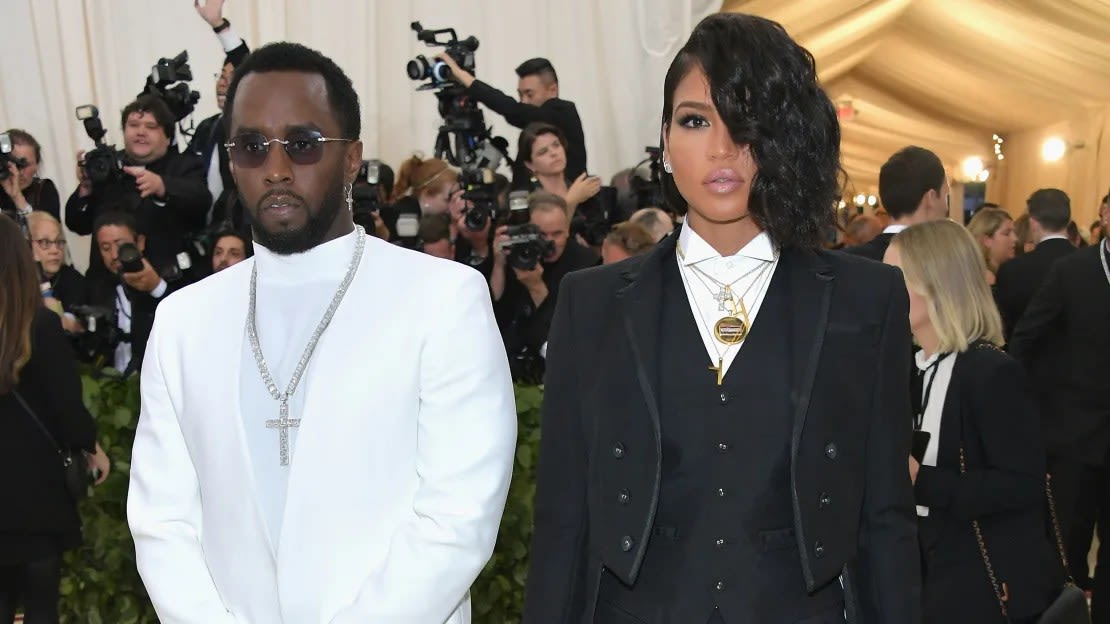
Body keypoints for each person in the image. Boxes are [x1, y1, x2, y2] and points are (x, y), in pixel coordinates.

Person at [522, 13, 919, 623]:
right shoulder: (591, 303)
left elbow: (885, 514)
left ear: (782, 137)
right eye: (696, 120)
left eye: (747, 120)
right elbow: (563, 518)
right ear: (664, 136)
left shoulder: (867, 300)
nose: (721, 148)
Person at [126, 42, 516, 623]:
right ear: (232, 162)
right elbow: (163, 523)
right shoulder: (184, 320)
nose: (276, 169)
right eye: (252, 146)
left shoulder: (441, 298)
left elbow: (456, 517)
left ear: (352, 158)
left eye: (303, 144)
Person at [884, 220, 1061, 623]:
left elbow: (1023, 485)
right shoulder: (911, 367)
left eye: (895, 278)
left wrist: (921, 481)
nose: (883, 292)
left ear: (936, 284)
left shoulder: (989, 373)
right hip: (926, 572)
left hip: (979, 582)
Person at [0, 215, 109, 624]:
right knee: (41, 606)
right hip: (36, 497)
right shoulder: (40, 325)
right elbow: (67, 409)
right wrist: (92, 447)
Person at [1009, 194, 1110, 617]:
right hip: (1074, 440)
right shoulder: (1073, 270)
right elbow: (1025, 342)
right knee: (1065, 550)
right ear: (1104, 214)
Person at [65, 95, 211, 284]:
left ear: (167, 137)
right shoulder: (107, 165)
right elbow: (77, 224)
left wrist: (161, 186)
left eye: (151, 127)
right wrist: (85, 188)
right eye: (133, 125)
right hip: (108, 287)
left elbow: (201, 201)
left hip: (165, 281)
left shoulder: (185, 166)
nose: (140, 132)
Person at [490, 191, 598, 382]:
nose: (550, 242)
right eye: (541, 234)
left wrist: (536, 287)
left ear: (567, 230)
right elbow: (494, 308)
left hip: (555, 371)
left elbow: (568, 330)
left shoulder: (587, 263)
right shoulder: (515, 253)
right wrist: (498, 263)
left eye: (557, 234)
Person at [434, 54, 588, 185]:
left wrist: (461, 75)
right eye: (520, 95)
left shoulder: (562, 111)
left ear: (552, 90)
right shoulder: (535, 127)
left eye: (529, 94)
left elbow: (512, 110)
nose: (524, 102)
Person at [85, 212, 181, 375]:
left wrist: (156, 287)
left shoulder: (168, 275)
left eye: (120, 245)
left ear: (140, 242)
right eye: (105, 248)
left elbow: (182, 321)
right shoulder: (97, 289)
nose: (114, 255)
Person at [188, 0, 251, 229]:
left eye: (231, 78)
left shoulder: (249, 127)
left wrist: (219, 25)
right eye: (221, 77)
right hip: (205, 232)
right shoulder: (207, 127)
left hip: (239, 228)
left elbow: (248, 66)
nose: (223, 85)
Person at [842, 146, 950, 261]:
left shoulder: (845, 261)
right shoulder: (942, 264)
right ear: (931, 197)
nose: (946, 207)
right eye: (946, 196)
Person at [994, 188, 1075, 341]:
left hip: (1024, 360)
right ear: (1069, 221)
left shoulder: (1012, 270)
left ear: (1033, 223)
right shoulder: (1090, 264)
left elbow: (1004, 327)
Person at [516, 122, 600, 220]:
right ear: (530, 165)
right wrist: (571, 201)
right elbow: (551, 233)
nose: (553, 153)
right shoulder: (527, 200)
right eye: (543, 152)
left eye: (556, 145)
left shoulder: (581, 187)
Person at [26, 211, 86, 334]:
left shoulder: (74, 280)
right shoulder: (15, 281)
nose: (55, 250)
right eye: (44, 242)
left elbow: (76, 327)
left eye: (59, 242)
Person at [1, 129, 61, 233]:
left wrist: (17, 197)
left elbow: (45, 236)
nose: (19, 172)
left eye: (25, 164)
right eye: (14, 164)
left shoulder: (44, 190)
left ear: (36, 165)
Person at [966, 207, 1017, 285]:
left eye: (1014, 232)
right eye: (1007, 233)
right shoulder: (980, 278)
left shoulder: (1011, 271)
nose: (1015, 239)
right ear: (987, 240)